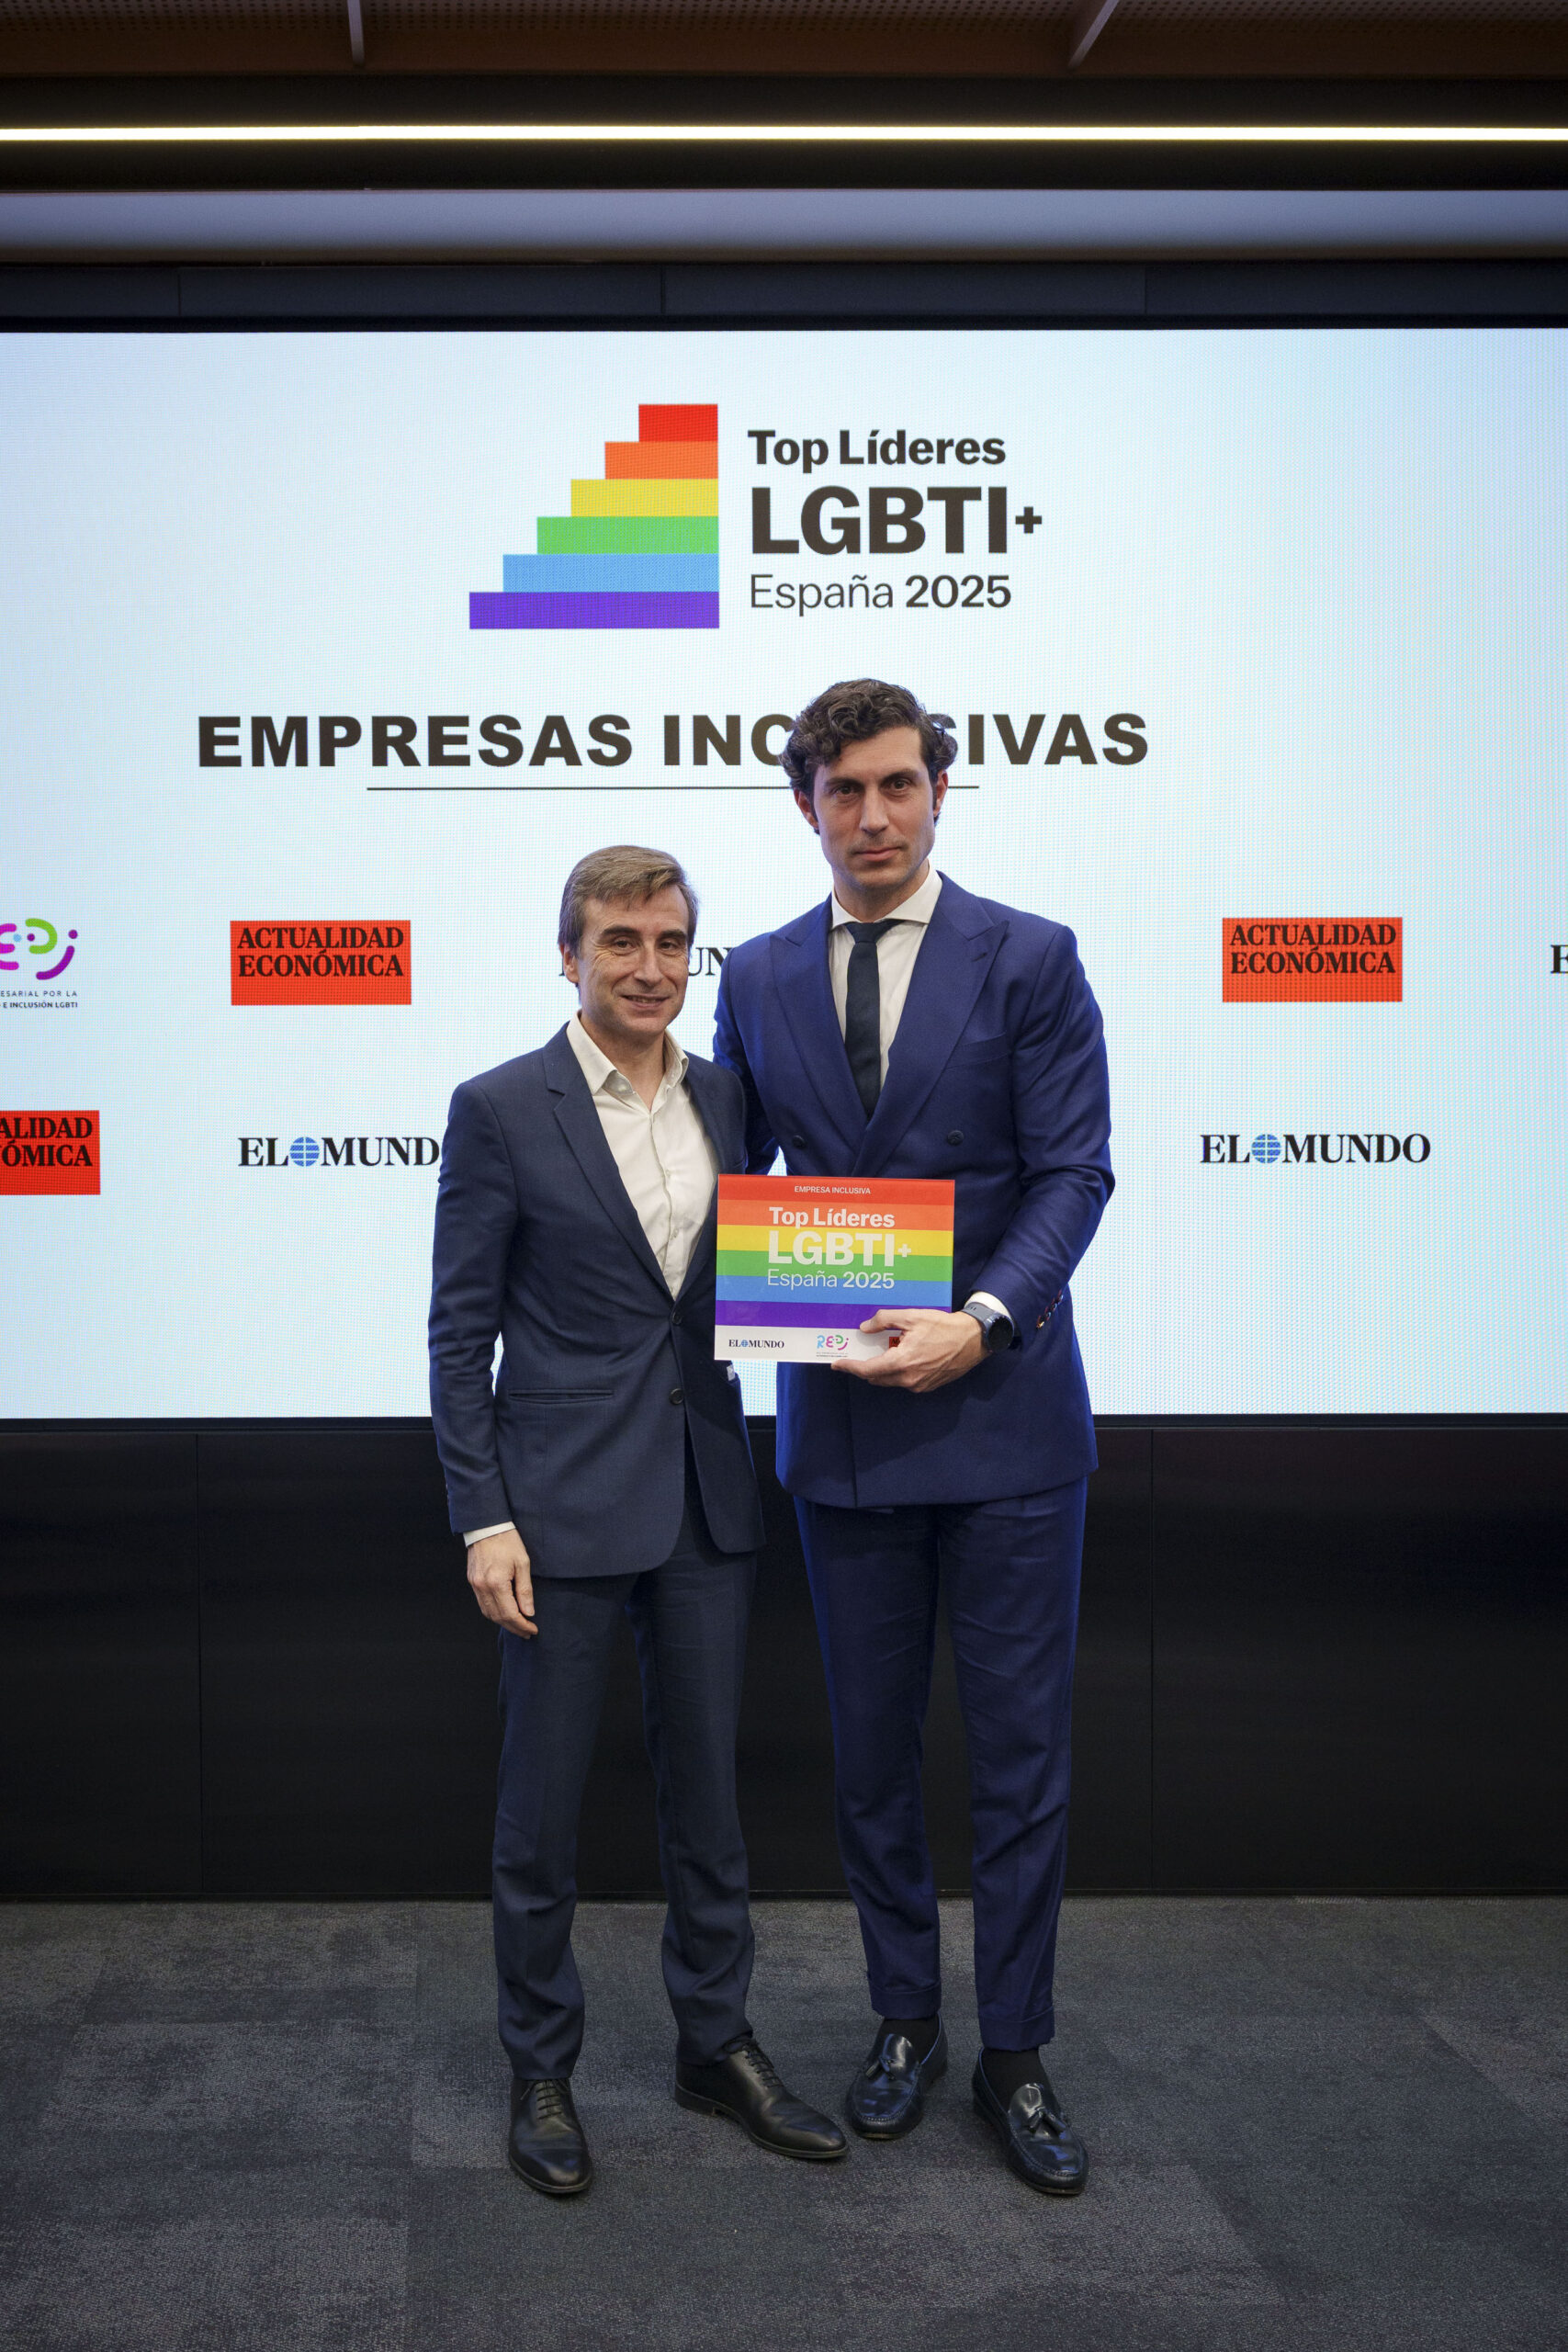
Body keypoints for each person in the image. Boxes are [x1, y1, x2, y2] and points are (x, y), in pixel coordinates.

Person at [714, 682, 1113, 2197]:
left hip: (1007, 1418)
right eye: (844, 790)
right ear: (805, 806)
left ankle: (1016, 2050)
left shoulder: (1033, 954)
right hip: (844, 1422)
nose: (873, 816)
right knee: (872, 1758)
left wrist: (985, 1318)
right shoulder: (755, 972)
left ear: (940, 792)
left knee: (1018, 1762)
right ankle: (904, 2021)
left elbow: (1073, 1172)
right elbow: (729, 1171)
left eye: (898, 785)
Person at [429, 845, 847, 2197]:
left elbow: (777, 1266)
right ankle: (540, 2065)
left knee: (709, 1805)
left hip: (706, 1500)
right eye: (620, 942)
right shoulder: (500, 1107)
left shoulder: (729, 1097)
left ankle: (714, 2046)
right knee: (540, 1815)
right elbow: (459, 1338)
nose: (649, 968)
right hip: (555, 1511)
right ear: (571, 957)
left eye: (671, 943)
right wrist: (483, 1517)